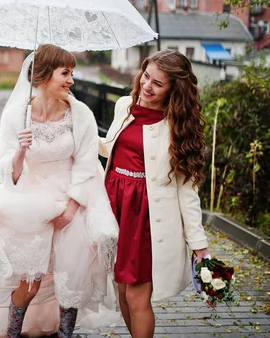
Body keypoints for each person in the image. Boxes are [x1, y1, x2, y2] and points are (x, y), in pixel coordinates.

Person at [0, 44, 121, 338]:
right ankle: (13, 331)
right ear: (45, 75)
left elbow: (87, 164)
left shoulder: (82, 115)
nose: (71, 80)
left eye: (72, 73)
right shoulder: (16, 115)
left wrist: (71, 210)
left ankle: (65, 333)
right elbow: (7, 174)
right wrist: (20, 152)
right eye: (65, 73)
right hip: (29, 199)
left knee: (70, 278)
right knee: (29, 282)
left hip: (72, 197)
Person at [99, 49, 211, 338]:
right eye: (146, 76)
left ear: (175, 89)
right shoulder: (124, 105)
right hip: (114, 205)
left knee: (137, 297)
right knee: (122, 293)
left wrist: (199, 245)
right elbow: (111, 148)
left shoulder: (177, 128)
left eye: (158, 84)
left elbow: (187, 191)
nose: (147, 86)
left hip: (145, 217)